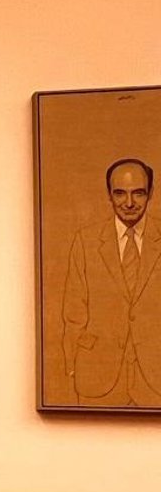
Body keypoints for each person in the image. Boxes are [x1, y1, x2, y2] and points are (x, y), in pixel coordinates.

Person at [61, 158, 161, 406]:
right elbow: (73, 315)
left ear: (151, 193)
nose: (129, 203)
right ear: (109, 194)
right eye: (120, 193)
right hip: (98, 379)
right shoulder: (86, 241)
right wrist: (73, 369)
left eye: (138, 193)